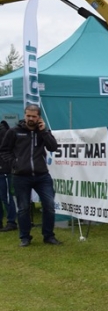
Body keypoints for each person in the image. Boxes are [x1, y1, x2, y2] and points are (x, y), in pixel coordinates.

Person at [0, 105, 62, 246]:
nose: (31, 118)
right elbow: (4, 150)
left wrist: (44, 131)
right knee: (23, 208)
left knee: (49, 205)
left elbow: (53, 147)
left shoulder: (43, 132)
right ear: (25, 115)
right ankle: (25, 237)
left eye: (34, 116)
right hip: (21, 176)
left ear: (39, 117)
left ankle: (48, 236)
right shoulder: (14, 131)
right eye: (28, 115)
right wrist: (14, 164)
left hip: (42, 176)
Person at [0, 120, 17, 232]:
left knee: (6, 197)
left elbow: (6, 150)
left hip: (4, 170)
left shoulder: (4, 132)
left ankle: (11, 222)